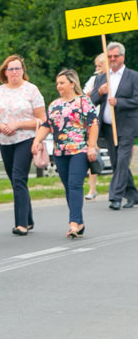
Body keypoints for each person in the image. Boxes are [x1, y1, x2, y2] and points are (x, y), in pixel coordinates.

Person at [33, 69, 99, 238]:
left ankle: (73, 223)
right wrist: (37, 140)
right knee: (68, 187)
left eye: (62, 83)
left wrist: (91, 146)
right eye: (57, 83)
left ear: (72, 83)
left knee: (75, 184)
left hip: (79, 149)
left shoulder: (84, 102)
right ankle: (79, 221)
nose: (58, 86)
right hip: (60, 151)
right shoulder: (55, 104)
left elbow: (93, 124)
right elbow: (47, 125)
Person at [0, 54, 46, 236]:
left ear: (23, 71)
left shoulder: (31, 90)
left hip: (26, 138)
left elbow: (42, 119)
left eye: (17, 68)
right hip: (5, 140)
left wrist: (18, 124)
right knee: (15, 180)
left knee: (19, 177)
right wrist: (1, 127)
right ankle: (28, 219)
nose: (14, 72)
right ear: (5, 72)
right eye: (10, 69)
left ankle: (20, 224)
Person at [89, 42, 138, 210]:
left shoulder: (133, 76)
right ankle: (133, 195)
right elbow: (92, 101)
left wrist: (119, 102)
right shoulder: (102, 77)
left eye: (116, 56)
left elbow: (136, 100)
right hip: (109, 128)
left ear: (123, 57)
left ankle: (115, 197)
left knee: (123, 160)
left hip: (127, 126)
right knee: (117, 162)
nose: (113, 59)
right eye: (109, 57)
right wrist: (100, 92)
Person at [83, 53, 106, 200]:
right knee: (93, 152)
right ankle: (92, 188)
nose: (97, 68)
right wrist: (93, 92)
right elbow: (84, 97)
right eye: (96, 66)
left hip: (110, 121)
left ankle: (122, 185)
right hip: (94, 121)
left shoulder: (115, 78)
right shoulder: (94, 80)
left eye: (100, 65)